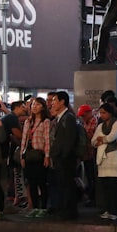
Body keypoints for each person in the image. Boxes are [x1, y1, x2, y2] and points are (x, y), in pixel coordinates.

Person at [48, 91, 80, 220]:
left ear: (62, 102)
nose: (52, 103)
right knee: (62, 184)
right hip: (59, 157)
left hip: (65, 158)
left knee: (67, 184)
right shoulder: (60, 117)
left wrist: (64, 155)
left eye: (55, 100)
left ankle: (69, 211)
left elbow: (69, 139)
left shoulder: (69, 117)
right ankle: (64, 209)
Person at [92, 103, 117, 220]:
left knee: (114, 186)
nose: (102, 115)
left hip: (115, 158)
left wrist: (102, 139)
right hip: (103, 160)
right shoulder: (100, 126)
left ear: (110, 113)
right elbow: (93, 140)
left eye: (104, 112)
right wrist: (99, 140)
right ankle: (105, 209)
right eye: (101, 113)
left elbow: (111, 137)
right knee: (104, 186)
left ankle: (114, 211)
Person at [20, 98, 51, 217]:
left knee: (41, 182)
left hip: (40, 154)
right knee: (31, 182)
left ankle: (43, 207)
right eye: (33, 104)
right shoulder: (28, 121)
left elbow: (47, 139)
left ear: (43, 107)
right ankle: (35, 207)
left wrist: (47, 156)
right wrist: (22, 156)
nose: (34, 106)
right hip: (29, 155)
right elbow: (24, 139)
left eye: (37, 104)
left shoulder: (46, 121)